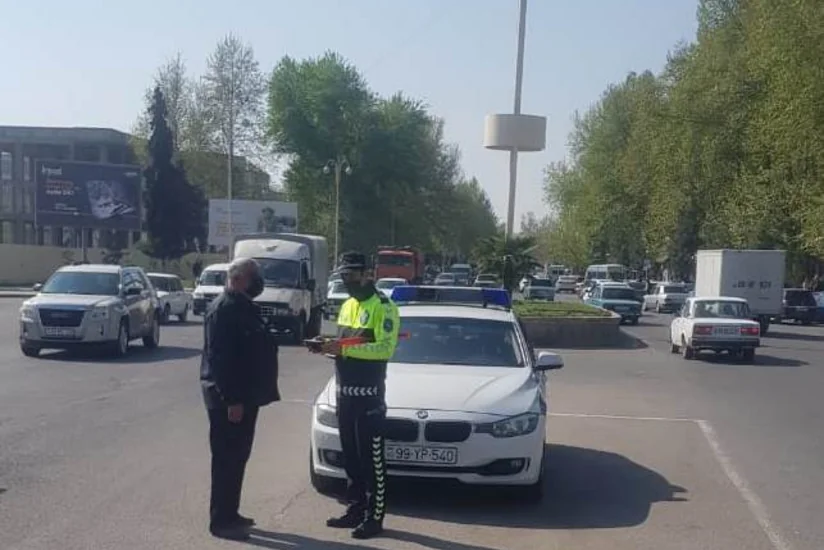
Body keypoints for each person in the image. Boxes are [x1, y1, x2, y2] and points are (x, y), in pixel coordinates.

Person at [312, 251, 400, 540]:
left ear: (367, 275)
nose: (347, 281)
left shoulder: (384, 307)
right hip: (345, 395)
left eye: (352, 276)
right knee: (350, 459)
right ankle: (355, 508)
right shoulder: (348, 305)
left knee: (371, 461)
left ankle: (374, 517)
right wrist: (326, 346)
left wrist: (343, 349)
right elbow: (344, 343)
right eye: (343, 276)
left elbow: (385, 348)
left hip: (369, 398)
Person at [200, 257, 280, 540]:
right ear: (237, 279)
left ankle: (231, 512)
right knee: (226, 460)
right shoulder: (223, 309)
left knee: (238, 458)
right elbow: (220, 360)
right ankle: (221, 521)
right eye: (254, 276)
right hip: (229, 401)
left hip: (246, 397)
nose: (259, 281)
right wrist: (232, 400)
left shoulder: (243, 306)